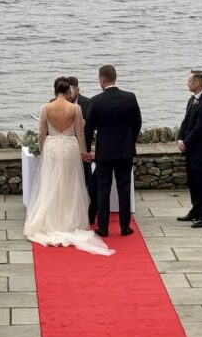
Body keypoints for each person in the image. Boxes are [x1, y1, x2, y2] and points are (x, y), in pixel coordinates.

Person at [23, 77, 112, 254]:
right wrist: (84, 152)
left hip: (52, 147)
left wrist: (42, 150)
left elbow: (42, 133)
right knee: (71, 185)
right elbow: (80, 132)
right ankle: (70, 222)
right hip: (70, 148)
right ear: (69, 92)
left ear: (55, 91)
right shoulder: (76, 108)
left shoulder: (46, 108)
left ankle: (51, 221)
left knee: (51, 184)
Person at [85, 65, 142, 239]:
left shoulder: (96, 101)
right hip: (125, 151)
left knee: (104, 189)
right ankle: (125, 227)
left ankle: (103, 227)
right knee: (124, 189)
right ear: (115, 78)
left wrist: (87, 149)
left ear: (102, 80)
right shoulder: (130, 98)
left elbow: (88, 129)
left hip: (104, 153)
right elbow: (137, 123)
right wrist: (129, 141)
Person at [177, 70, 202, 228]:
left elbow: (200, 129)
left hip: (201, 151)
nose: (187, 83)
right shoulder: (192, 100)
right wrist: (180, 137)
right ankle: (196, 209)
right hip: (191, 150)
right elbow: (186, 121)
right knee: (193, 182)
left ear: (198, 84)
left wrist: (186, 142)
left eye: (190, 81)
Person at [66, 76, 97, 225]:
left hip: (83, 147)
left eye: (73, 89)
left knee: (87, 179)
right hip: (66, 147)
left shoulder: (88, 103)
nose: (71, 93)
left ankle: (88, 211)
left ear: (78, 88)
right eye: (69, 90)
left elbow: (94, 126)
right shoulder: (58, 103)